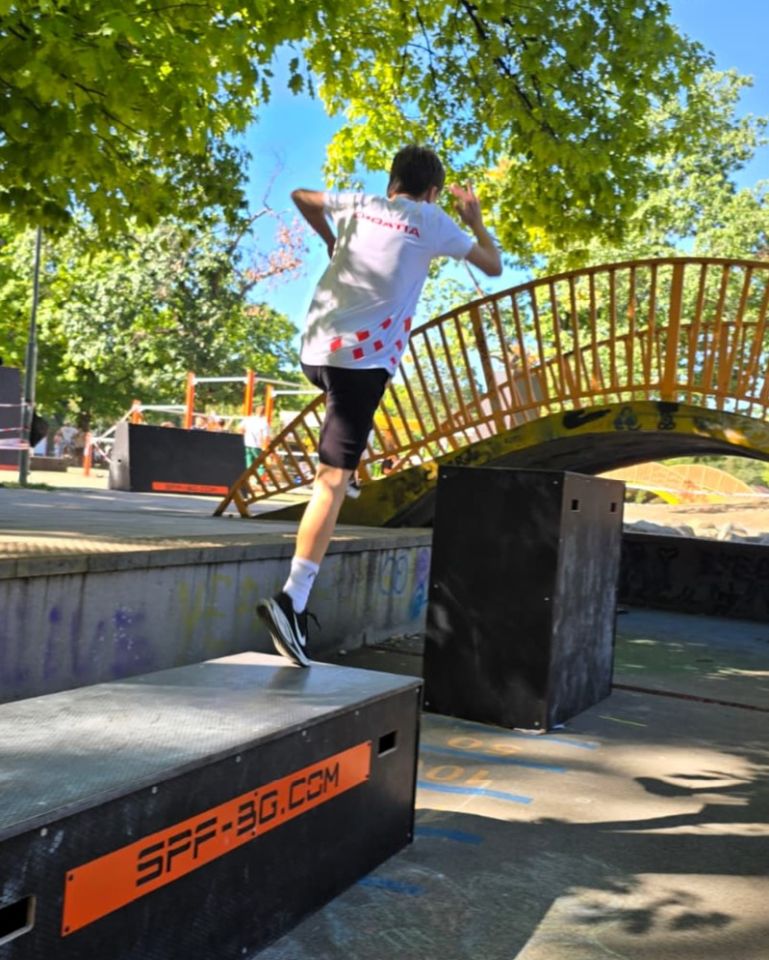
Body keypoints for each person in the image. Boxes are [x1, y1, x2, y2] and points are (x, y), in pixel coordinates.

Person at [256, 144, 502, 666]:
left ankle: (353, 467)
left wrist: (331, 241)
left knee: (346, 442)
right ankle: (291, 600)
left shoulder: (359, 203)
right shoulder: (431, 220)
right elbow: (494, 265)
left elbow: (302, 196)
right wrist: (475, 221)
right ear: (431, 192)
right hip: (359, 364)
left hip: (315, 351)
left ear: (392, 182)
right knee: (331, 482)